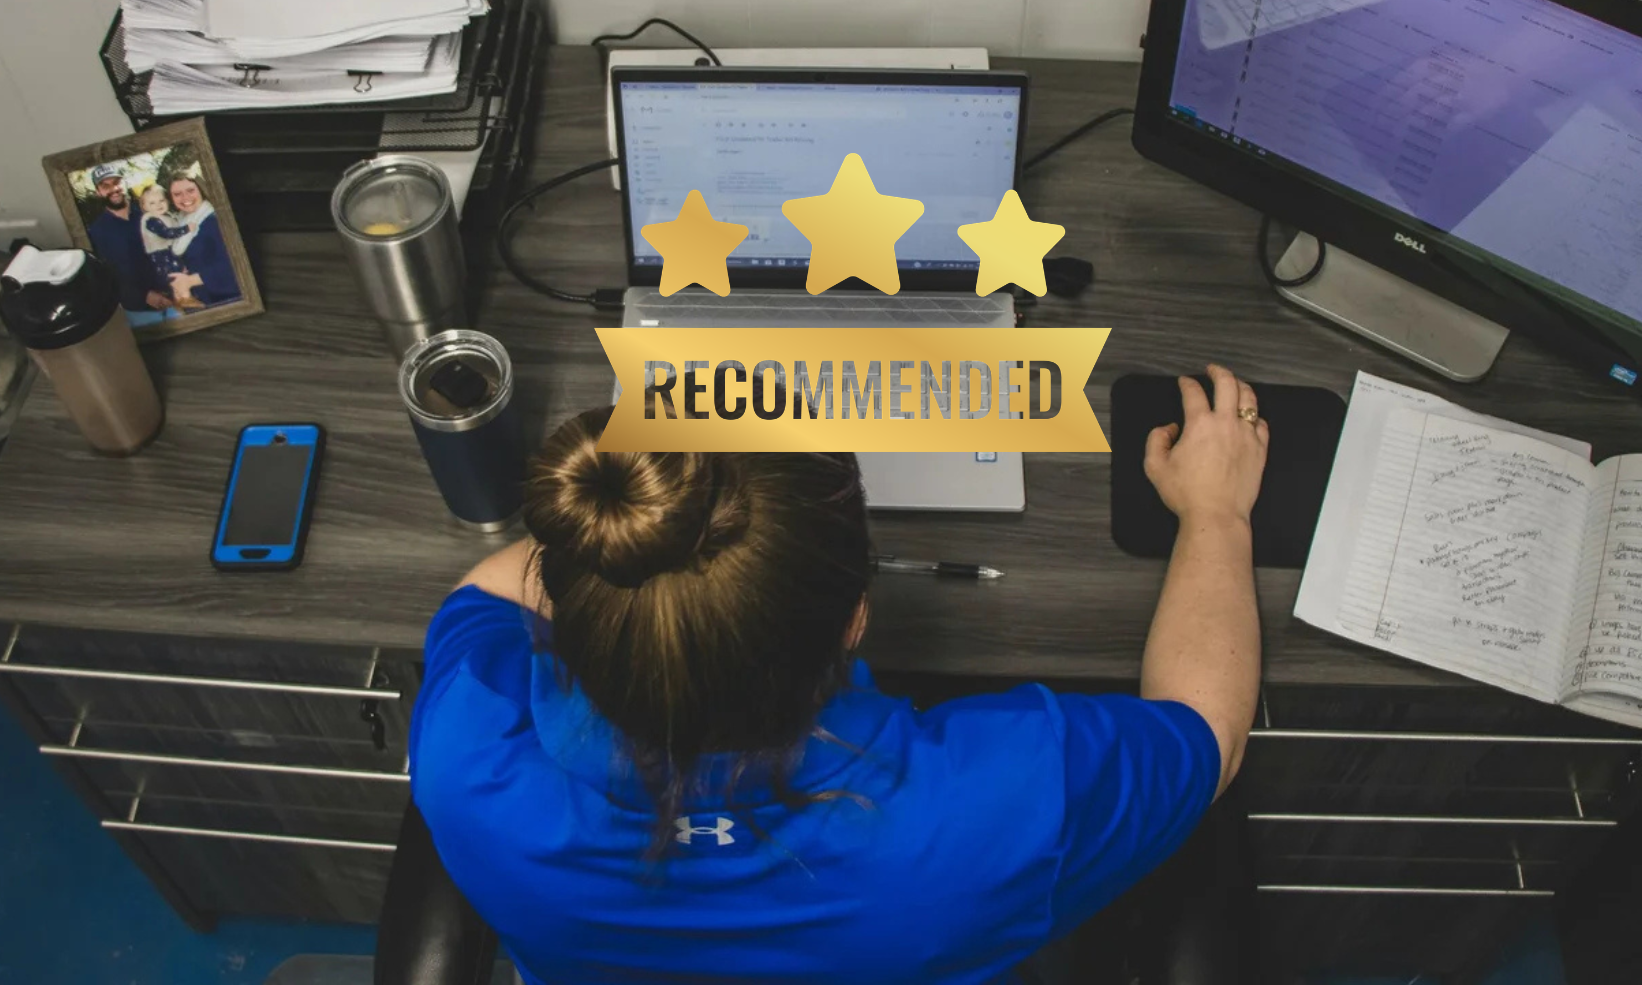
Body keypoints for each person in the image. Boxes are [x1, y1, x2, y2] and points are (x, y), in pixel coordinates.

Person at [410, 364, 1267, 984]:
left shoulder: (467, 749)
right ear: (857, 618)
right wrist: (1217, 512)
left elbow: (486, 588)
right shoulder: (995, 804)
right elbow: (1211, 731)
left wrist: (639, 540)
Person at [81, 165, 155, 315]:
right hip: (140, 308)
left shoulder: (148, 212)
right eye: (105, 186)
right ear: (98, 192)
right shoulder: (96, 232)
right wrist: (145, 296)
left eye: (116, 182)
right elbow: (108, 275)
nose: (114, 189)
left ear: (124, 183)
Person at [163, 175, 242, 308]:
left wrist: (190, 281)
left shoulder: (217, 220)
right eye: (177, 194)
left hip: (228, 299)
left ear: (201, 189)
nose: (185, 198)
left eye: (190, 190)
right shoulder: (180, 223)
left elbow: (236, 264)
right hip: (201, 300)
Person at [134, 184, 192, 308]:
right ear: (144, 206)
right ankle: (183, 304)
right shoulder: (151, 220)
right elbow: (167, 233)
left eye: (161, 200)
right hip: (162, 257)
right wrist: (187, 229)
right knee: (175, 281)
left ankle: (187, 300)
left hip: (171, 253)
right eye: (152, 203)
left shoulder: (167, 216)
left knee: (183, 276)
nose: (158, 205)